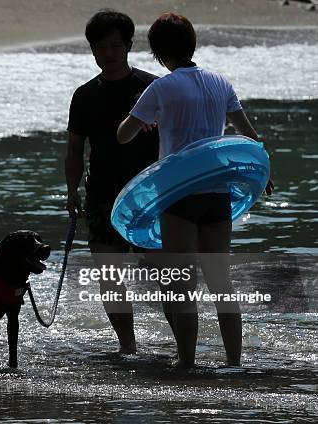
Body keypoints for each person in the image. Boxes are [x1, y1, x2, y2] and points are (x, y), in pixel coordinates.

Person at [117, 12, 274, 368]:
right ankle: (234, 362)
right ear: (192, 44)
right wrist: (264, 174)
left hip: (179, 195)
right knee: (221, 282)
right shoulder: (221, 82)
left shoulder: (161, 87)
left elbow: (123, 134)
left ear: (157, 53)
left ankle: (185, 363)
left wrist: (146, 119)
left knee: (180, 283)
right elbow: (249, 136)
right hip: (219, 193)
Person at [65, 9, 159, 354]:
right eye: (101, 47)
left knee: (162, 275)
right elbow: (75, 149)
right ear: (92, 50)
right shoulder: (85, 95)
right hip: (102, 193)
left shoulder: (152, 88)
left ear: (129, 46)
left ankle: (183, 347)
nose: (107, 53)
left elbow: (175, 142)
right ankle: (128, 346)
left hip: (149, 195)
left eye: (115, 46)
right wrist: (71, 190)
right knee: (110, 277)